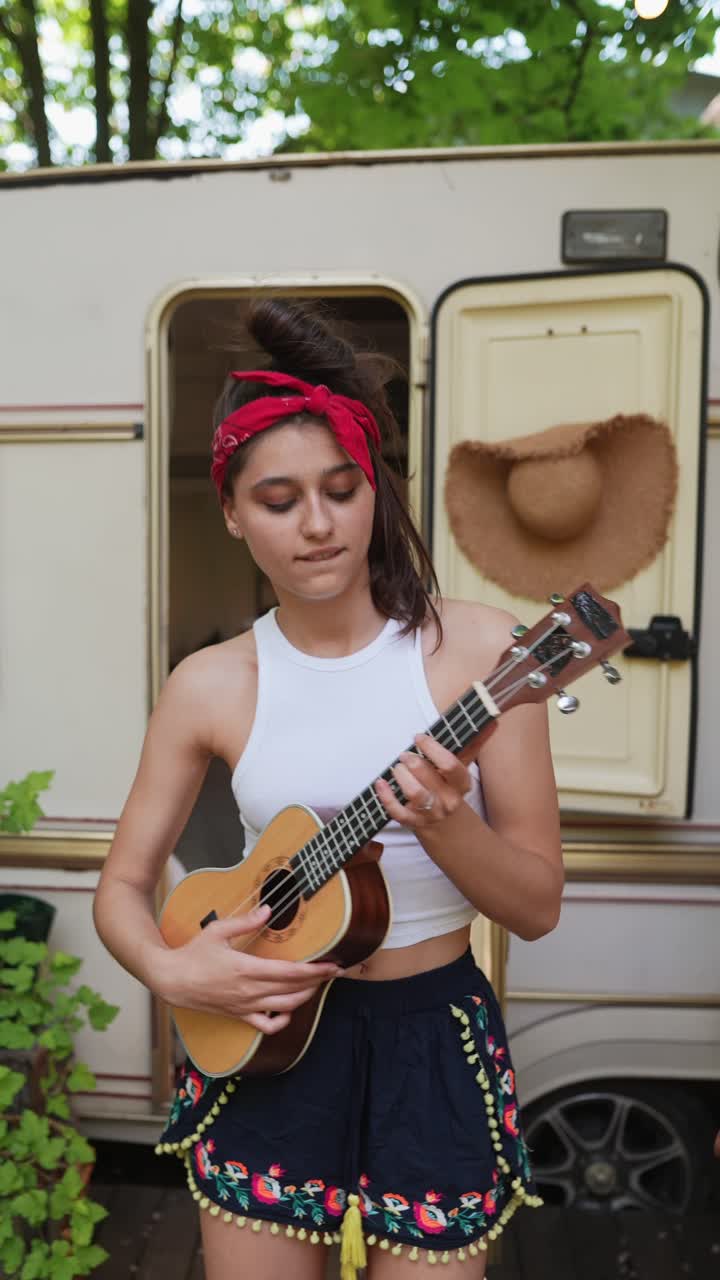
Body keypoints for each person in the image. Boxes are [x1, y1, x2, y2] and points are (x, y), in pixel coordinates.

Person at [94, 299, 563, 1280]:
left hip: (431, 1033)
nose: (316, 523)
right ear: (230, 509)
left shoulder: (482, 654)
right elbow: (123, 889)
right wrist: (175, 973)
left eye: (341, 489)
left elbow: (536, 903)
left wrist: (444, 826)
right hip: (257, 1030)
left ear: (374, 492)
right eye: (277, 499)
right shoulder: (210, 683)